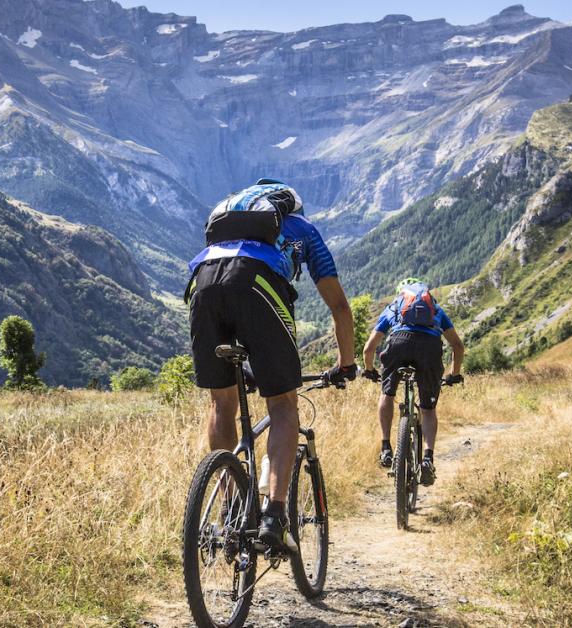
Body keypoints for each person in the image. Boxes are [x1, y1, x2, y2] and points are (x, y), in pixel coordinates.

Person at [186, 178, 357, 554]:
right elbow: (340, 308)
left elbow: (228, 280)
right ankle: (273, 518)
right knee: (282, 404)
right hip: (257, 284)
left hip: (203, 284)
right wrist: (346, 363)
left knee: (221, 403)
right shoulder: (303, 229)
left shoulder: (227, 223)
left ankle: (231, 508)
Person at [361, 278, 464, 486]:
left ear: (402, 294)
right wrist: (454, 374)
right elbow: (457, 346)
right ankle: (427, 458)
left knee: (387, 394)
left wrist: (370, 370)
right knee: (427, 409)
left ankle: (386, 447)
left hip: (399, 344)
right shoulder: (436, 310)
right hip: (429, 349)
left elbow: (369, 348)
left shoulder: (394, 308)